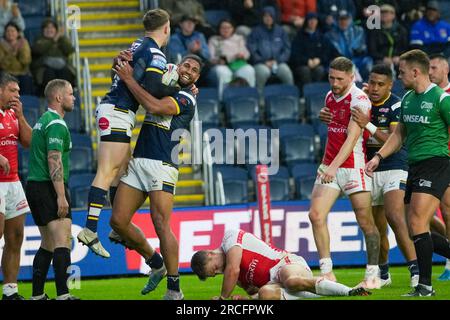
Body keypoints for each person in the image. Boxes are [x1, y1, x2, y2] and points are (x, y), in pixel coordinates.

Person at [76, 9, 179, 258]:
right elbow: (154, 86)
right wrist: (176, 85)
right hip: (118, 111)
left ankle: (117, 229)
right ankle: (90, 230)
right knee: (107, 171)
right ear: (166, 28)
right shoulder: (155, 52)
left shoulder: (136, 45)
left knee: (122, 171)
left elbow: (120, 74)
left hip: (115, 110)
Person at [109, 54, 202, 300]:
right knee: (117, 221)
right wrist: (122, 63)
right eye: (186, 66)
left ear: (197, 78)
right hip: (140, 160)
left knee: (161, 224)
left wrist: (130, 80)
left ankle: (174, 289)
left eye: (194, 70)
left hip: (162, 164)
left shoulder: (188, 98)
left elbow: (155, 107)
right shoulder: (168, 84)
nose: (189, 71)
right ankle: (155, 262)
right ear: (179, 65)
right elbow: (144, 83)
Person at [319, 64, 420, 288]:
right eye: (372, 82)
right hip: (368, 167)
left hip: (394, 165)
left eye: (380, 84)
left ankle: (416, 271)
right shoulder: (359, 99)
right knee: (377, 225)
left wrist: (369, 126)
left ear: (390, 85)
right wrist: (325, 114)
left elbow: (395, 141)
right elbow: (337, 117)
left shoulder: (395, 104)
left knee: (395, 215)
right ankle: (382, 274)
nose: (374, 88)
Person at [365, 49, 450, 296]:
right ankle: (425, 284)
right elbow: (399, 134)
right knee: (414, 229)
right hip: (414, 165)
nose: (399, 77)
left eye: (401, 72)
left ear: (415, 72)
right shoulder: (408, 99)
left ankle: (424, 286)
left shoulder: (441, 99)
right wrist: (379, 157)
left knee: (416, 222)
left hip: (436, 163)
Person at [308, 56, 381, 289]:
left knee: (366, 222)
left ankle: (372, 275)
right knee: (315, 216)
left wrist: (333, 167)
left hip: (352, 167)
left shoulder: (359, 99)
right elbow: (334, 123)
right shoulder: (329, 96)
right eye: (331, 77)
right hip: (329, 164)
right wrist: (324, 115)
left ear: (352, 77)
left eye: (340, 79)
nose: (335, 82)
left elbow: (351, 139)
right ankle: (327, 273)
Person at [191, 229, 371, 300]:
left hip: (287, 264)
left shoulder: (230, 238)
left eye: (215, 268)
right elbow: (255, 295)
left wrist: (223, 299)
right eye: (216, 274)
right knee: (265, 294)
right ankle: (326, 291)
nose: (220, 271)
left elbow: (232, 269)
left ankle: (347, 290)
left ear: (210, 254)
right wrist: (245, 301)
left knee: (290, 280)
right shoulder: (235, 277)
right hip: (275, 284)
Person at [25, 79, 79, 300]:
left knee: (47, 243)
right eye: (70, 93)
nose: (73, 97)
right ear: (58, 98)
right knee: (62, 241)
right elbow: (54, 158)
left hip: (35, 185)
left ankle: (37, 295)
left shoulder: (42, 121)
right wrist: (60, 195)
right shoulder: (56, 123)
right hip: (49, 185)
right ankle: (64, 295)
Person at [0, 72, 31, 300]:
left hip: (14, 183)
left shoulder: (13, 113)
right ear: (0, 90)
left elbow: (29, 143)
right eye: (13, 90)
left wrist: (20, 117)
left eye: (19, 91)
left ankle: (10, 291)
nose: (17, 95)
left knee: (16, 237)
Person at [429, 53, 450, 281]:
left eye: (433, 68)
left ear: (445, 70)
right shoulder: (424, 95)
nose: (430, 72)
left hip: (447, 160)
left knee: (447, 211)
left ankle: (448, 264)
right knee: (418, 216)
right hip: (428, 162)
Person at [247, 6, 294, 93]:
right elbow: (252, 49)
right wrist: (263, 61)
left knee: (286, 72)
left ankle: (290, 97)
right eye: (265, 16)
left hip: (278, 62)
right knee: (262, 73)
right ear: (262, 17)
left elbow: (287, 49)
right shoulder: (255, 31)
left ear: (274, 17)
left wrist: (279, 60)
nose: (268, 18)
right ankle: (260, 99)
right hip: (261, 63)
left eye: (270, 16)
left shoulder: (281, 31)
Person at [290, 12, 339, 94]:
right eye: (310, 20)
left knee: (320, 70)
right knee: (305, 71)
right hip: (302, 65)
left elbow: (331, 51)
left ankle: (317, 93)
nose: (312, 22)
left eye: (314, 20)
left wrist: (319, 60)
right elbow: (294, 55)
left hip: (319, 64)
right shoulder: (299, 37)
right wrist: (306, 61)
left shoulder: (321, 36)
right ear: (306, 21)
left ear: (317, 22)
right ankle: (306, 95)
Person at [207, 18, 255, 99]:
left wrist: (242, 55)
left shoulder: (239, 38)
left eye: (228, 27)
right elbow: (210, 58)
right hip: (221, 66)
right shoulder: (214, 39)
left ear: (233, 29)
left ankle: (249, 97)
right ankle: (223, 99)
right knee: (223, 72)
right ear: (219, 29)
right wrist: (218, 60)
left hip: (237, 64)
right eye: (223, 28)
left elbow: (247, 54)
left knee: (249, 70)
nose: (226, 30)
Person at [30, 18, 76, 96]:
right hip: (44, 68)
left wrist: (61, 38)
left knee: (65, 73)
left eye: (52, 28)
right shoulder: (39, 40)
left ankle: (64, 97)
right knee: (49, 74)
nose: (49, 30)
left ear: (56, 30)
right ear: (43, 30)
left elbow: (69, 50)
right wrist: (54, 40)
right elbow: (38, 50)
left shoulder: (61, 39)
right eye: (47, 28)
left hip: (61, 67)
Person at [325, 10, 372, 81]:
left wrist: (358, 52)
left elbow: (363, 48)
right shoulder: (330, 35)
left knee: (368, 62)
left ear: (350, 19)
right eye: (341, 19)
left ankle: (367, 87)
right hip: (339, 61)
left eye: (346, 19)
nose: (343, 22)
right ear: (337, 21)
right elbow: (330, 53)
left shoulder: (358, 31)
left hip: (356, 60)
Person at [367, 4, 409, 74]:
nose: (384, 14)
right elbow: (372, 50)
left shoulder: (401, 30)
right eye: (382, 12)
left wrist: (399, 57)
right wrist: (383, 58)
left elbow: (406, 47)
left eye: (387, 12)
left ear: (393, 15)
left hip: (398, 59)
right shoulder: (374, 31)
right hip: (380, 60)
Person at [0, 22, 33, 95]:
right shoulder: (1, 44)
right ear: (5, 33)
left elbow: (26, 61)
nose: (10, 33)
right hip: (7, 72)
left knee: (26, 80)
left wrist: (19, 49)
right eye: (8, 31)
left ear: (18, 33)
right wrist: (12, 54)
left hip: (23, 72)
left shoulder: (23, 43)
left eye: (13, 31)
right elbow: (2, 64)